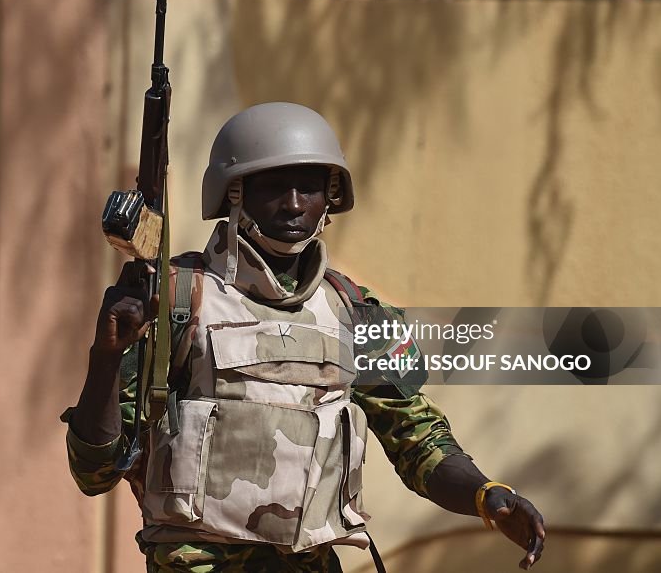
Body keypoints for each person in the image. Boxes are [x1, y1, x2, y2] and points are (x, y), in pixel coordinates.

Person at [62, 103, 545, 572]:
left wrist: (486, 495)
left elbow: (417, 442)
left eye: (310, 187)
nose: (294, 204)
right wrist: (107, 357)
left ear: (330, 197)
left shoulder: (354, 310)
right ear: (235, 193)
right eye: (273, 186)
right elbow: (93, 472)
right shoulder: (175, 298)